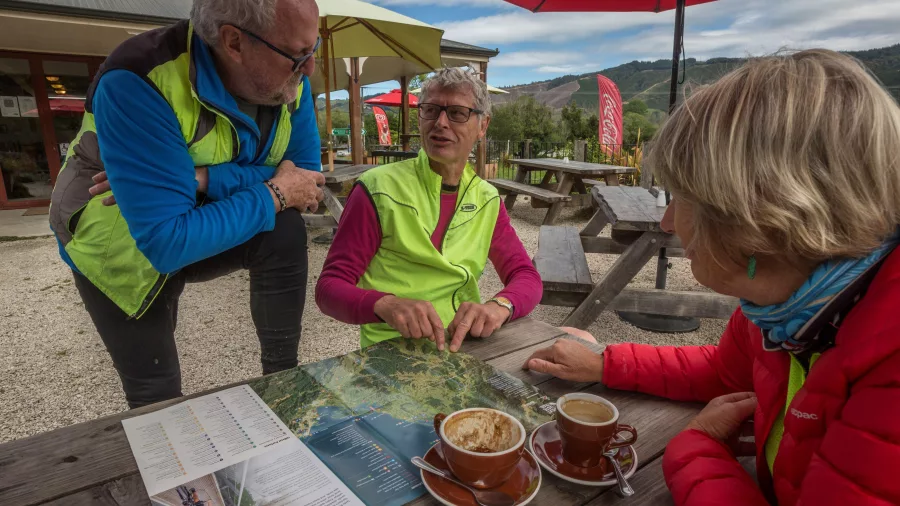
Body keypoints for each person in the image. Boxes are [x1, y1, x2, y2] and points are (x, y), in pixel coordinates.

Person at [523, 49, 900, 505]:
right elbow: (726, 372)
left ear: (759, 218)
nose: (666, 223)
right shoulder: (784, 307)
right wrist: (604, 362)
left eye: (682, 199)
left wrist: (694, 450)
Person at [48, 0, 325, 409]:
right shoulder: (139, 77)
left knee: (284, 229)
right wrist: (274, 190)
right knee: (155, 396)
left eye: (313, 48)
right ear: (234, 42)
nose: (310, 68)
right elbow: (166, 242)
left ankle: (283, 382)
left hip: (192, 214)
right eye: (299, 55)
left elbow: (308, 180)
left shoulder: (290, 81)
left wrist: (202, 177)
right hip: (117, 239)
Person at [316, 68, 542, 351]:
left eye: (457, 113)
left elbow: (526, 276)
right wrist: (384, 304)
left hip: (465, 345)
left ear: (483, 126)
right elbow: (329, 289)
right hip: (391, 351)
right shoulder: (377, 188)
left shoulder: (487, 199)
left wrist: (500, 306)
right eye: (431, 110)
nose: (441, 123)